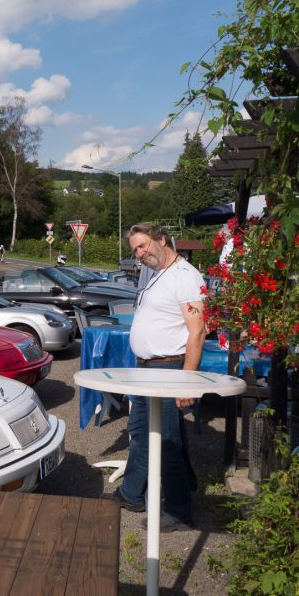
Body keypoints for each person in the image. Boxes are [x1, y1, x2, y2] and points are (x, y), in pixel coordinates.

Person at [109, 223, 206, 532]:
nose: (140, 253)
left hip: (168, 369)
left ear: (161, 239)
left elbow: (198, 331)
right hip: (147, 369)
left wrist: (187, 381)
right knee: (139, 432)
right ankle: (132, 493)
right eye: (135, 249)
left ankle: (179, 512)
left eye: (143, 245)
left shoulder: (185, 277)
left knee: (167, 441)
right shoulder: (158, 273)